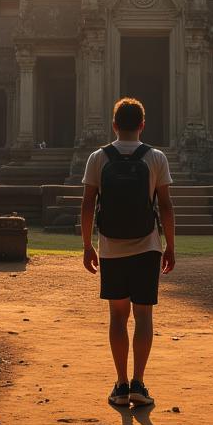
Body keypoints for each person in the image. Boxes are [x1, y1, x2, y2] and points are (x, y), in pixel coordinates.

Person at [81, 97, 175, 407]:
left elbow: (87, 205)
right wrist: (170, 246)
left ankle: (120, 385)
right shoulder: (155, 157)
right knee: (143, 315)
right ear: (143, 125)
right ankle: (139, 383)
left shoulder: (98, 157)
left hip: (110, 247)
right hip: (147, 247)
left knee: (118, 317)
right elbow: (165, 206)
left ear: (114, 125)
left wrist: (86, 246)